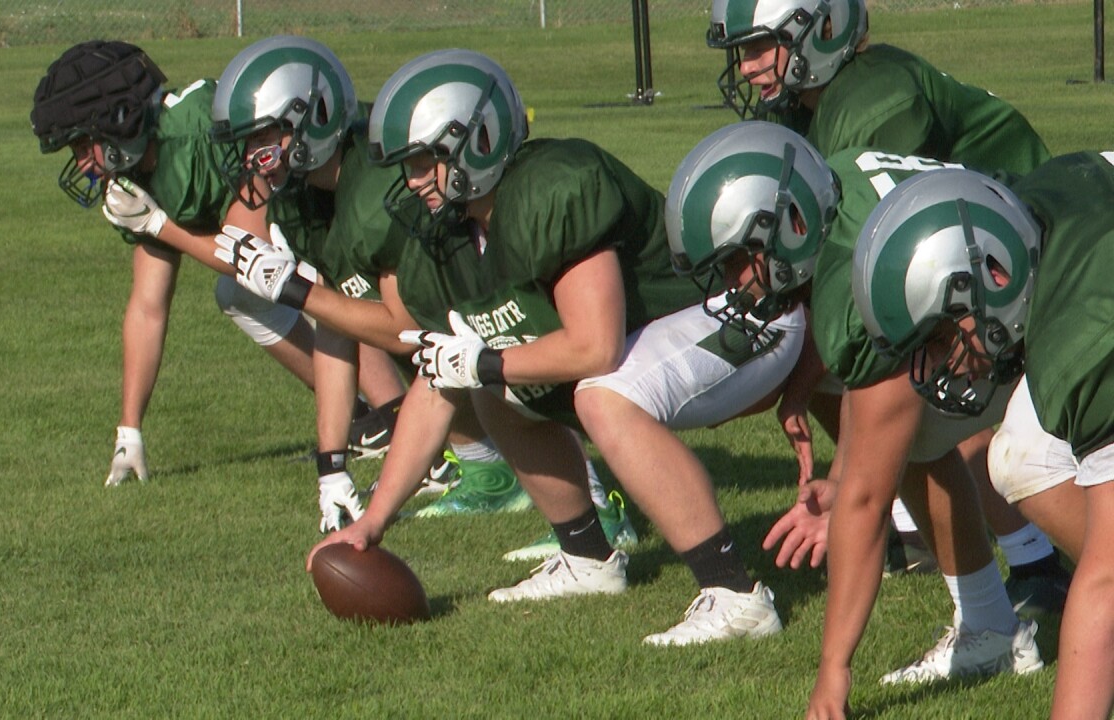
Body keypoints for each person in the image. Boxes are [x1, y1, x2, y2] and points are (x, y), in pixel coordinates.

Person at [278, 49, 801, 644]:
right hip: (654, 348)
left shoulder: (552, 187)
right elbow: (435, 380)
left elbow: (595, 348)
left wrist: (487, 360)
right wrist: (374, 522)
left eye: (426, 159)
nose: (414, 179)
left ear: (476, 141)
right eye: (408, 165)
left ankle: (735, 593)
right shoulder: (441, 238)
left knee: (599, 394)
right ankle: (586, 557)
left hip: (739, 319)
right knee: (487, 380)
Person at [668, 122, 1048, 719]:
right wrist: (844, 471)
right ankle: (991, 629)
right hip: (1018, 268)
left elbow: (868, 497)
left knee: (1038, 462)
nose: (736, 285)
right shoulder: (834, 178)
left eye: (740, 261)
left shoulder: (849, 274)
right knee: (917, 438)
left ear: (786, 227)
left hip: (1052, 302)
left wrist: (832, 672)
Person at [206, 37, 637, 550]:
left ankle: (592, 504)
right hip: (476, 315)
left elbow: (405, 329)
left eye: (261, 137)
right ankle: (496, 481)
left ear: (314, 116)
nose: (253, 159)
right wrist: (332, 465)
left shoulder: (370, 197)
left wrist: (296, 291)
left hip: (560, 316)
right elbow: (339, 327)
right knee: (463, 347)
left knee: (487, 344)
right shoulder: (305, 199)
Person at [29, 40, 401, 488]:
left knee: (317, 276)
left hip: (359, 204)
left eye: (82, 145)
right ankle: (364, 423)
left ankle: (398, 416)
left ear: (117, 120)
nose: (83, 164)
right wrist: (129, 431)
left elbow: (257, 249)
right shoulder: (140, 171)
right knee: (238, 296)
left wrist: (162, 225)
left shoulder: (194, 133)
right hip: (308, 236)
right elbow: (147, 306)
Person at [850, 156, 1114, 720]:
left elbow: (1107, 578)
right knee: (1028, 458)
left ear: (996, 274)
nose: (947, 361)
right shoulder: (1031, 210)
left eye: (945, 333)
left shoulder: (1087, 338)